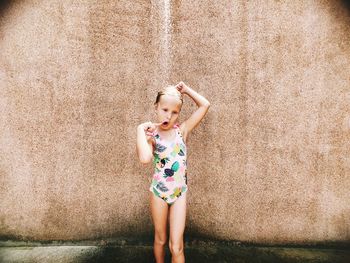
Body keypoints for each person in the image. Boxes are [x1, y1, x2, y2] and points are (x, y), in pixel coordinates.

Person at [136, 81, 210, 263]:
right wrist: (140, 131)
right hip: (159, 194)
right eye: (165, 110)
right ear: (157, 108)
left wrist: (186, 90)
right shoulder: (152, 136)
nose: (169, 115)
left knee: (176, 246)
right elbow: (145, 159)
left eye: (174, 112)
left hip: (179, 194)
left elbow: (205, 105)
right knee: (161, 239)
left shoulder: (182, 131)